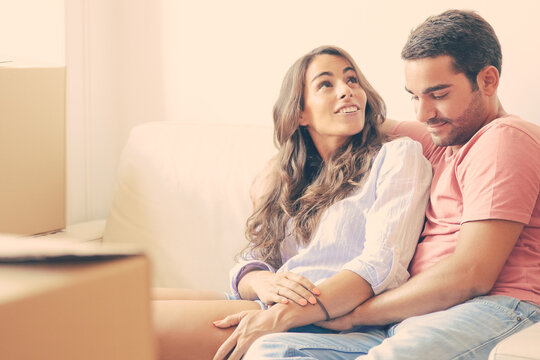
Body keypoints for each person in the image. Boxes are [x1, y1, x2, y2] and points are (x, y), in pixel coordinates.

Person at [237, 9, 540, 360]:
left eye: (438, 94)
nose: (422, 113)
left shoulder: (504, 139)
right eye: (414, 96)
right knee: (273, 349)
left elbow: (471, 274)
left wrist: (355, 314)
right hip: (412, 316)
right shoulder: (436, 136)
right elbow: (338, 126)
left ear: (487, 81)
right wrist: (279, 171)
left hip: (494, 307)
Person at [152, 45, 431, 360]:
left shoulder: (396, 156)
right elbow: (249, 261)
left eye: (352, 80)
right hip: (267, 303)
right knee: (110, 299)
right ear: (300, 112)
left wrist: (277, 316)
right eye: (326, 84)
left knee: (122, 322)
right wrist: (264, 282)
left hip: (318, 319)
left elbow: (381, 266)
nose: (347, 91)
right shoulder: (291, 178)